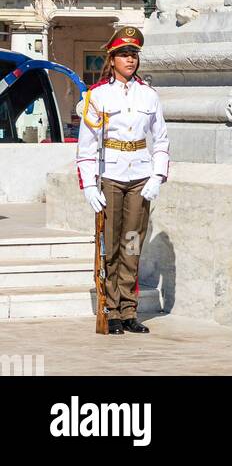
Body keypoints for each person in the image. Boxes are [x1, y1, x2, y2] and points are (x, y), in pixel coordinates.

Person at [76, 26, 170, 335]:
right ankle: (111, 310)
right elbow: (87, 146)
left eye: (134, 55)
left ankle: (130, 310)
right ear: (112, 59)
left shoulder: (149, 95)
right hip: (112, 176)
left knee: (132, 244)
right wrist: (90, 185)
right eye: (124, 55)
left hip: (139, 176)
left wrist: (157, 176)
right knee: (111, 245)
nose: (130, 60)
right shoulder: (98, 96)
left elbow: (161, 140)